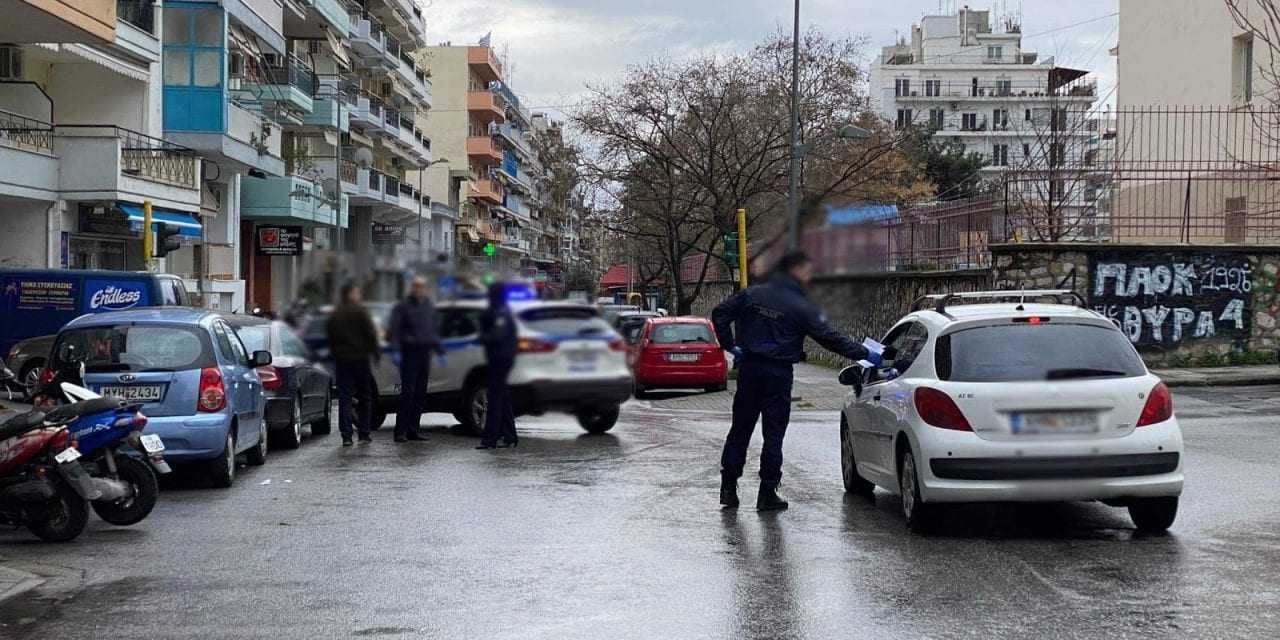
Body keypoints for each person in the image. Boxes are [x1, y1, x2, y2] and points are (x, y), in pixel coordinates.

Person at [711, 251, 878, 512]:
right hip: (778, 374)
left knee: (740, 430)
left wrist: (731, 346)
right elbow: (829, 338)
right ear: (795, 270)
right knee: (773, 435)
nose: (810, 276)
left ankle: (728, 487)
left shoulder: (752, 294)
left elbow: (719, 313)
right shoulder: (800, 305)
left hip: (750, 369)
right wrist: (866, 353)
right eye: (807, 270)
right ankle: (767, 493)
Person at [388, 276, 445, 444]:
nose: (419, 289)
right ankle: (400, 432)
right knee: (408, 394)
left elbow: (432, 329)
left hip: (424, 354)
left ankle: (413, 430)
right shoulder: (403, 306)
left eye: (422, 287)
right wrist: (396, 350)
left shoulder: (428, 306)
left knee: (420, 395)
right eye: (416, 286)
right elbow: (396, 330)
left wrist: (439, 350)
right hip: (409, 354)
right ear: (412, 288)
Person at [327, 282, 380, 446]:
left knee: (345, 397)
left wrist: (336, 353)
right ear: (350, 294)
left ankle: (346, 435)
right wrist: (375, 353)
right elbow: (370, 333)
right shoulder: (361, 312)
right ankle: (364, 433)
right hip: (360, 358)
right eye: (357, 293)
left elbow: (330, 336)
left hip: (342, 360)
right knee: (365, 396)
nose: (359, 296)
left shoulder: (335, 314)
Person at [477, 283, 518, 450]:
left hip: (500, 359)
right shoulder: (501, 309)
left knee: (494, 400)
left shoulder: (501, 312)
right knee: (503, 398)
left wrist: (483, 336)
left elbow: (497, 335)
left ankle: (490, 440)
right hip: (501, 358)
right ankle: (510, 436)